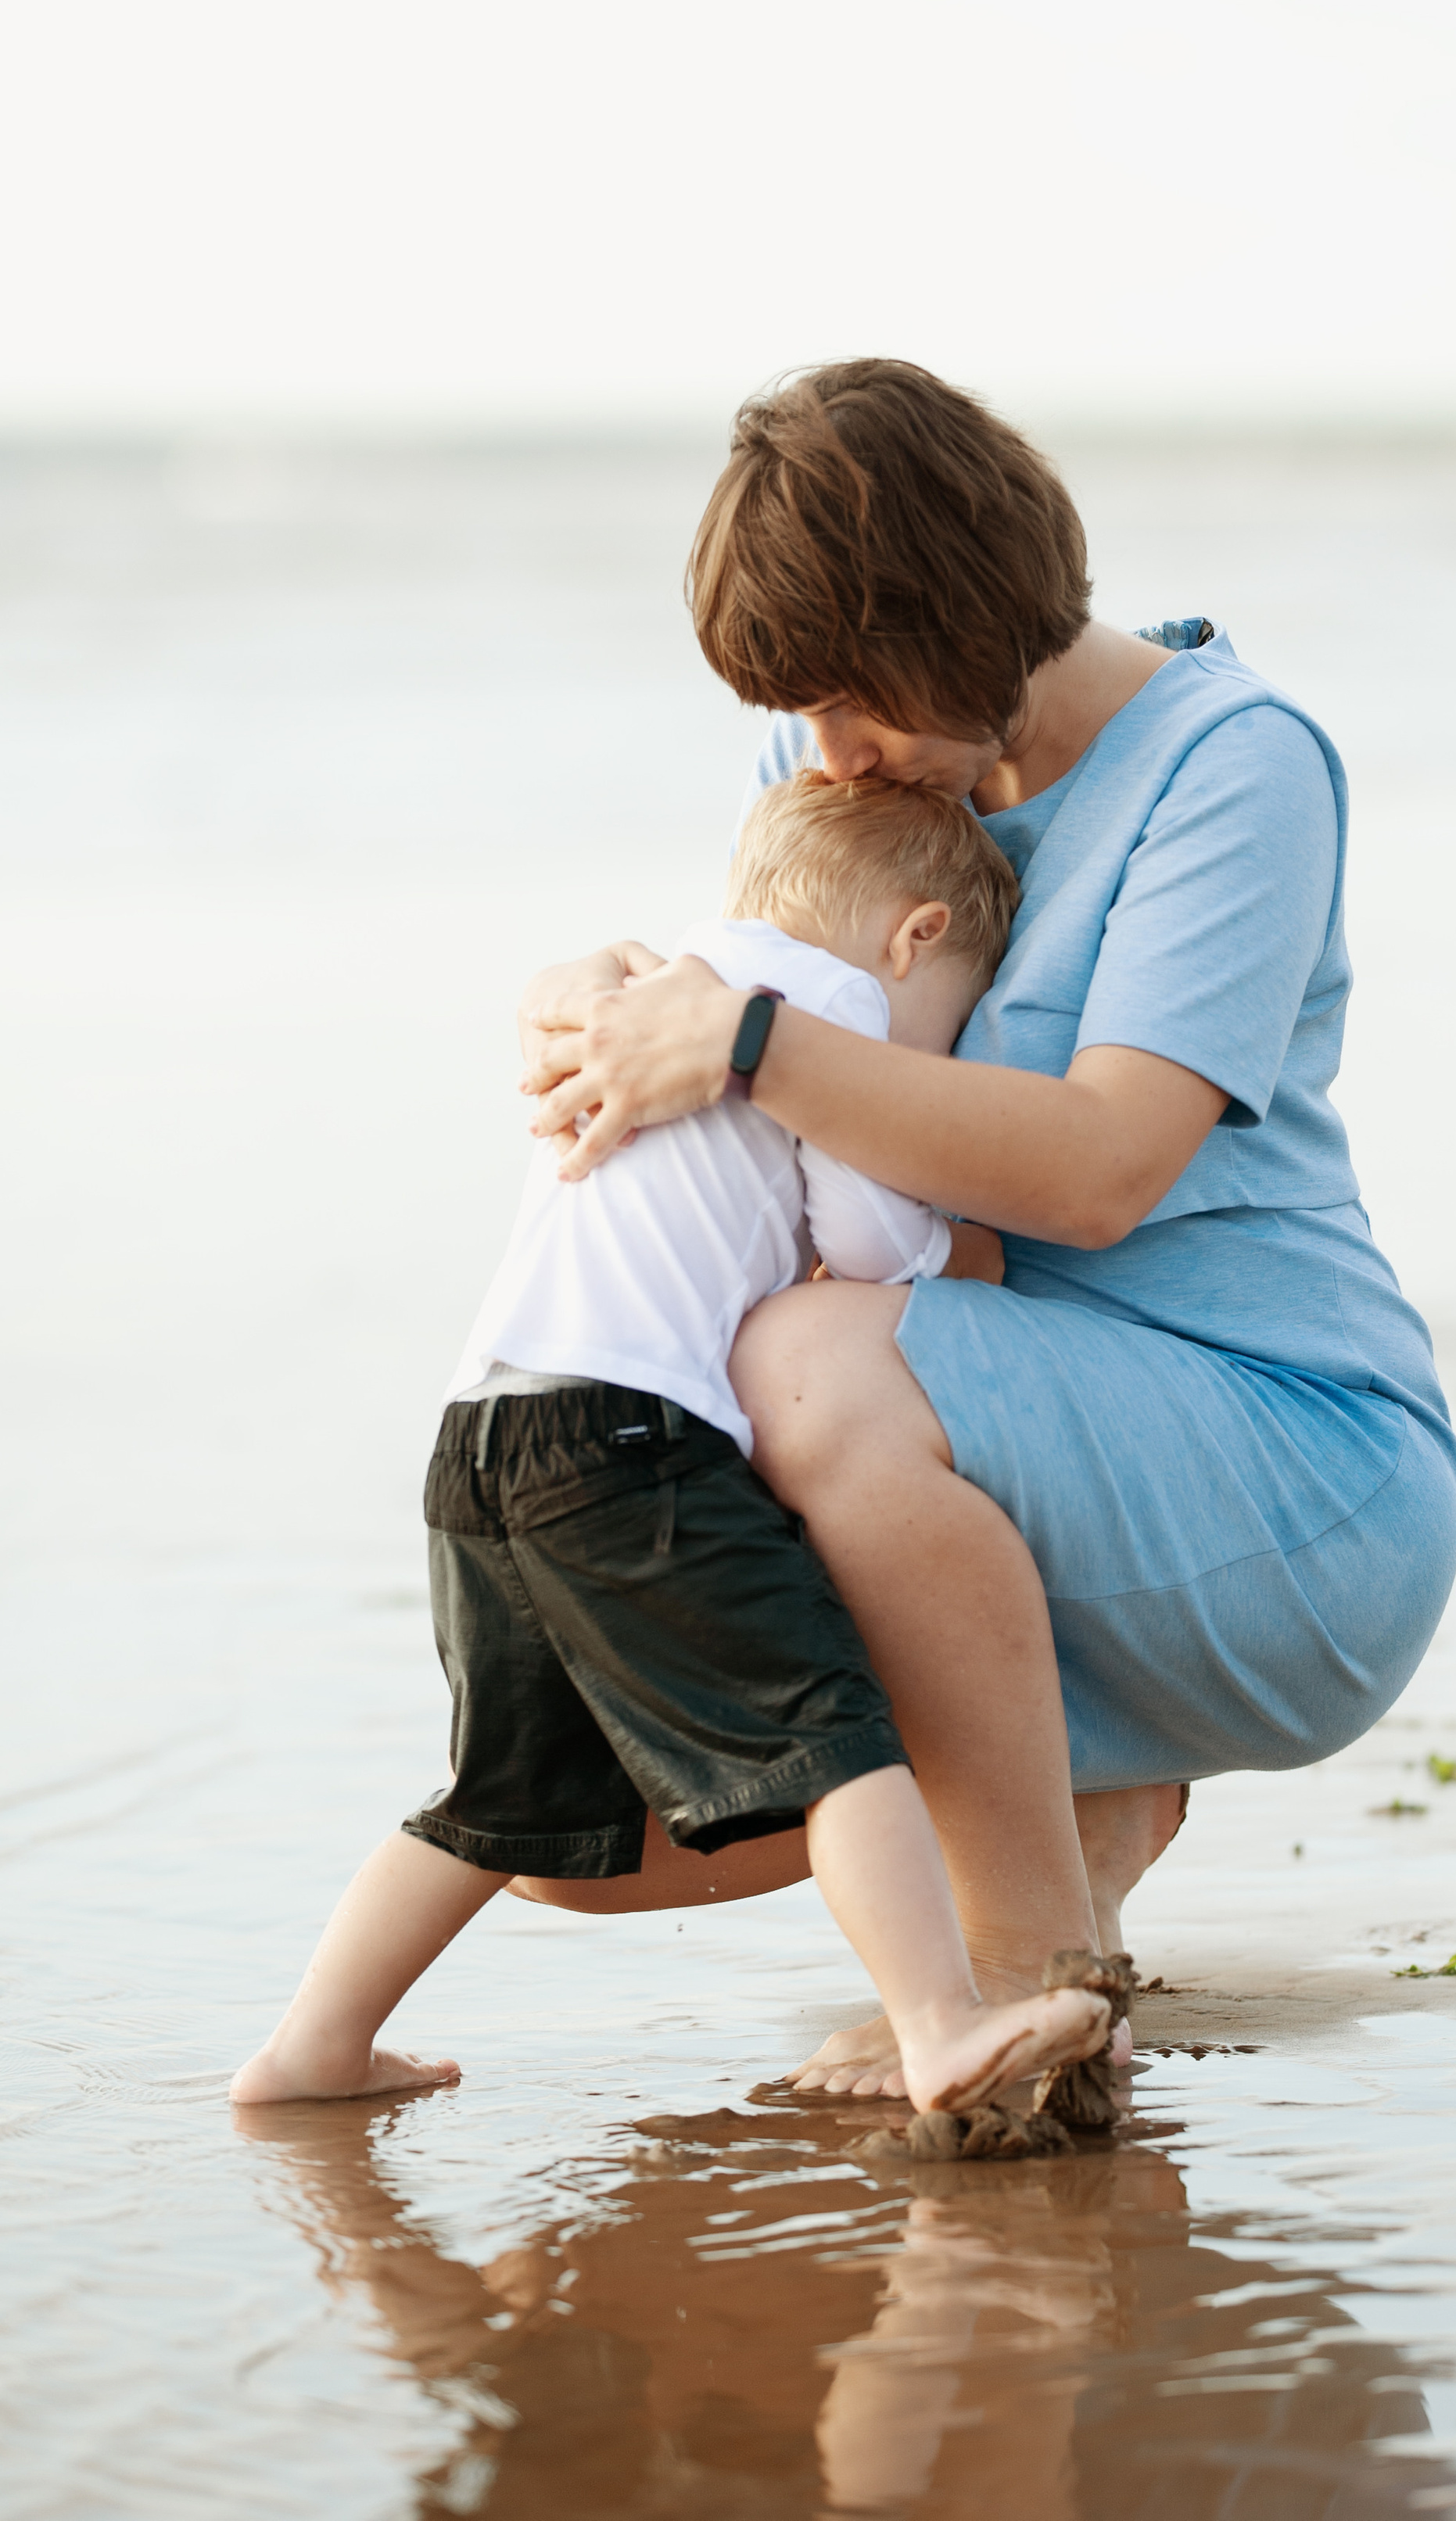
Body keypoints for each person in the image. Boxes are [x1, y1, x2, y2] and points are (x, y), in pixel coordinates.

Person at [517, 357, 1456, 2098]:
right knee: (547, 1812)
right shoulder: (869, 762)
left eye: (845, 701)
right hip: (1000, 1409)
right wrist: (614, 993)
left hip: (1290, 1465)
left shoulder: (1232, 767)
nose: (825, 759)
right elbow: (771, 1035)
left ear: (964, 618)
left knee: (804, 1358)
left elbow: (1099, 1166)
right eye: (795, 718)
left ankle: (1025, 1964)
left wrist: (745, 1041)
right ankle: (1084, 1799)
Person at [231, 769, 1121, 2114]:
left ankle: (310, 2047)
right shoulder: (823, 1014)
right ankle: (939, 2020)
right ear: (916, 936)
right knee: (832, 1728)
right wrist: (962, 1239)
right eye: (952, 1024)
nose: (928, 1056)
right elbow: (876, 1240)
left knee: (500, 1792)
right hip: (628, 1437)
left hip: (482, 1431)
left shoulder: (649, 991)